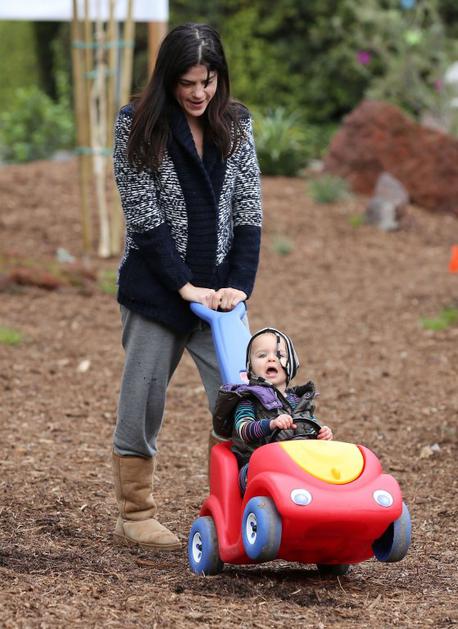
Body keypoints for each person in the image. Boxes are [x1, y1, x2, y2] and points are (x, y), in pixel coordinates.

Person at [111, 23, 262, 551]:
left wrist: (237, 285)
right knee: (143, 399)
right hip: (155, 294)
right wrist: (184, 286)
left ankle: (234, 506)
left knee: (243, 401)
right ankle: (135, 514)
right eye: (188, 83)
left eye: (208, 81)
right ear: (168, 79)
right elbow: (143, 216)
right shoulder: (136, 124)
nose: (199, 93)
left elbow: (248, 208)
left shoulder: (235, 124)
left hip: (219, 300)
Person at [213, 328, 333, 493]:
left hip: (299, 464)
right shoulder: (248, 400)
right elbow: (243, 430)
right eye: (262, 355)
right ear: (250, 368)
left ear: (291, 365)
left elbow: (310, 426)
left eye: (280, 355)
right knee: (277, 477)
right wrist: (271, 424)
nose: (271, 358)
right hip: (258, 469)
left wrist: (322, 434)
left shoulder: (299, 401)